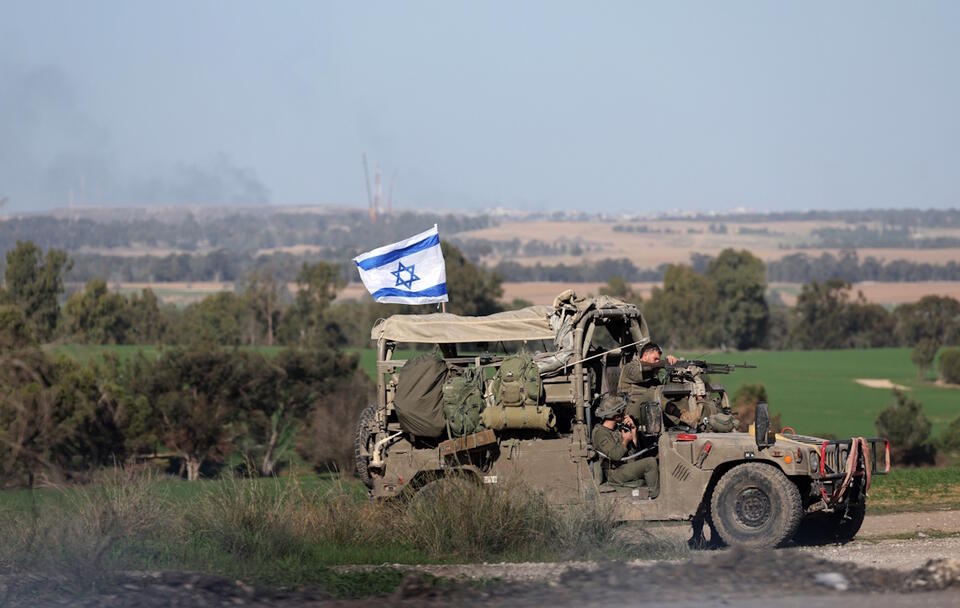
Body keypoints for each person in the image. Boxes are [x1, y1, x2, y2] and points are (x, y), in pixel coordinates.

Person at [591, 394, 659, 498]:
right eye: (622, 411)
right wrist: (625, 441)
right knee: (650, 463)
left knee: (655, 457)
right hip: (614, 473)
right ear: (616, 415)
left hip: (623, 467)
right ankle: (654, 495)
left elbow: (634, 454)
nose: (624, 414)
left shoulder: (617, 428)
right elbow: (615, 455)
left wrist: (633, 430)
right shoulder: (601, 434)